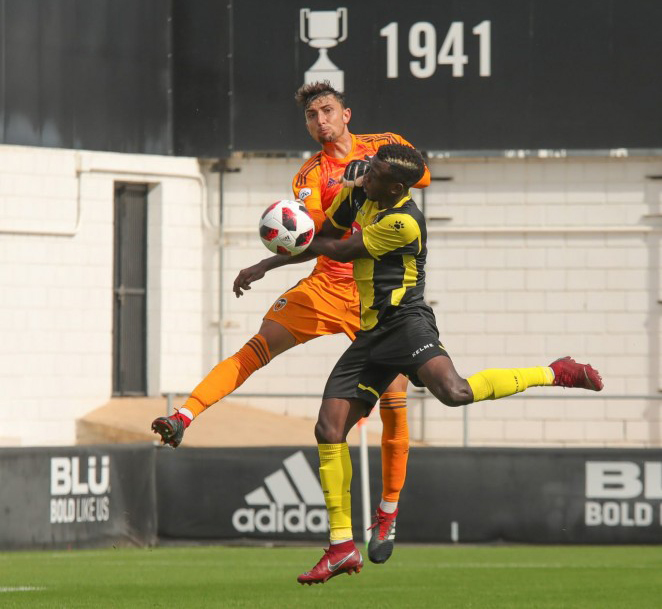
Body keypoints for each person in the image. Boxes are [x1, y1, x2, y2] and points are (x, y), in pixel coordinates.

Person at [293, 143, 604, 585]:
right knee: (328, 429)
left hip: (406, 323)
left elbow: (336, 249)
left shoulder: (402, 220)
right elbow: (326, 228)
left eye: (375, 173)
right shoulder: (365, 192)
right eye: (369, 168)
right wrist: (265, 263)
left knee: (454, 392)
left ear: (396, 186)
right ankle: (342, 547)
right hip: (371, 334)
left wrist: (284, 241)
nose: (365, 176)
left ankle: (555, 371)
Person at [151, 81, 430, 563]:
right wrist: (267, 263)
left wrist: (371, 171)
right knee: (258, 346)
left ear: (346, 114)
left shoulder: (382, 146)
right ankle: (184, 416)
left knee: (395, 397)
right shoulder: (308, 176)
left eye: (327, 110)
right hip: (326, 284)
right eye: (311, 115)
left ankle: (387, 511)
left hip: (376, 295)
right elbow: (317, 234)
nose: (320, 120)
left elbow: (421, 174)